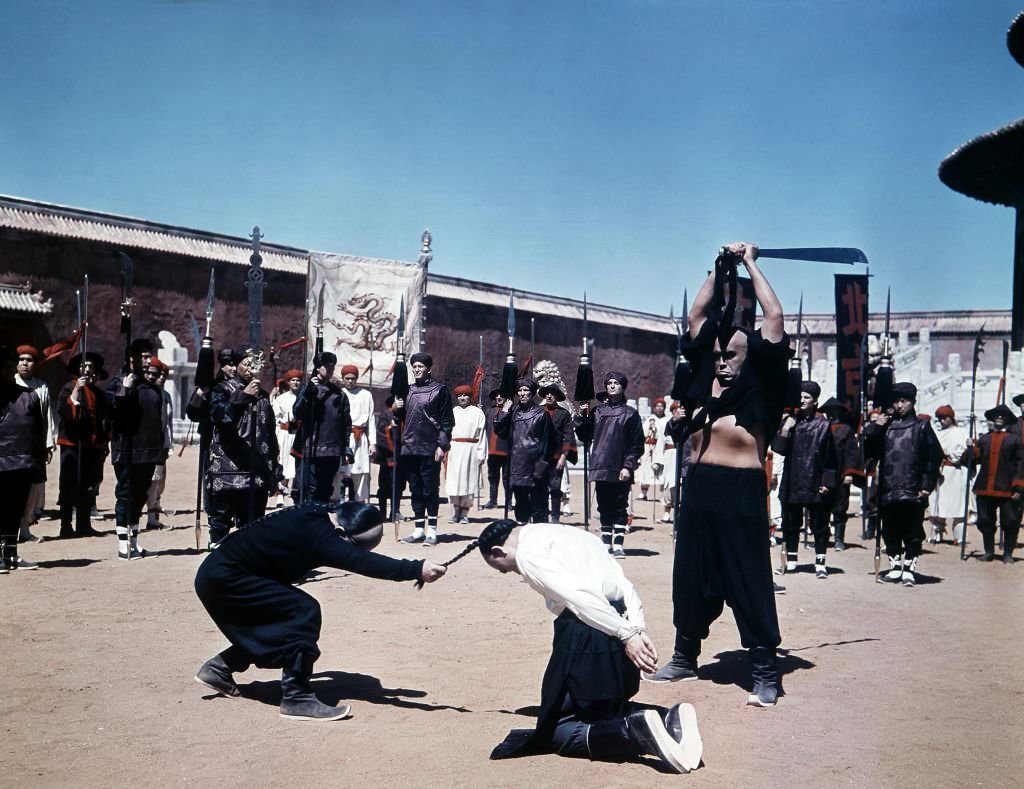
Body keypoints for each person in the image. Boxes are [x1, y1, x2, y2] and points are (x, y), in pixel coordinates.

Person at [644, 242, 787, 707]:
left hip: (740, 491)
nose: (723, 360)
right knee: (690, 577)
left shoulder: (762, 385)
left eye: (732, 354)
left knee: (747, 577)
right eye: (719, 353)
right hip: (700, 489)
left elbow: (775, 317)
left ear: (751, 356)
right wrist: (718, 265)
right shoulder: (704, 375)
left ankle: (766, 670)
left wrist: (749, 263)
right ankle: (686, 656)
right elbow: (698, 315)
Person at [479, 519, 702, 773]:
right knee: (603, 708)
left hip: (589, 629)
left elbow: (578, 597)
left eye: (502, 569)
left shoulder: (528, 555)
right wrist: (636, 627)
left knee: (559, 729)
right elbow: (622, 583)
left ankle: (639, 732)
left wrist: (627, 635)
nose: (510, 572)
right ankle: (667, 718)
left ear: (499, 552)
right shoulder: (573, 534)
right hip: (620, 617)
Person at [194, 501, 446, 720]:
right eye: (353, 546)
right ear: (341, 531)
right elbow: (364, 563)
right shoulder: (322, 536)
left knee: (275, 623)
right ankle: (297, 697)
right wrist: (416, 568)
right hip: (226, 580)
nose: (349, 552)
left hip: (218, 574)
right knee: (303, 611)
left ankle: (219, 668)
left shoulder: (316, 514)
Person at [862, 382, 943, 586]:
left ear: (912, 402)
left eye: (903, 401)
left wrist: (927, 485)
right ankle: (895, 565)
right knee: (890, 529)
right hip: (888, 486)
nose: (899, 405)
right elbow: (869, 451)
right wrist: (874, 428)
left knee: (912, 529)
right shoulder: (886, 426)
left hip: (913, 487)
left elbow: (933, 457)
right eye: (896, 401)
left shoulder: (921, 426)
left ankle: (909, 567)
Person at [206, 346, 282, 548]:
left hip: (257, 471)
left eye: (255, 365)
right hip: (227, 469)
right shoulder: (222, 389)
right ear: (237, 365)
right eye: (246, 364)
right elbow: (220, 418)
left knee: (253, 527)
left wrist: (274, 467)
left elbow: (270, 433)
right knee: (220, 525)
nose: (251, 369)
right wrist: (242, 397)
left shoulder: (264, 396)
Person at [771, 381, 838, 578]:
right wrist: (785, 429)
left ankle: (820, 561)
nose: (802, 400)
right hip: (793, 479)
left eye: (806, 397)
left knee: (819, 524)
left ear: (815, 401)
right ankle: (791, 560)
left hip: (815, 480)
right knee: (791, 522)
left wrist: (827, 481)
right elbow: (778, 449)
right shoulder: (790, 421)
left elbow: (831, 457)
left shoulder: (824, 425)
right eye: (799, 396)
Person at [107, 341, 166, 560]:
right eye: (142, 356)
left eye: (148, 356)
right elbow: (113, 412)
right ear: (131, 358)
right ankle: (123, 543)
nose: (147, 360)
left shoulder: (152, 388)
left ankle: (133, 541)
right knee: (125, 494)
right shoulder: (118, 383)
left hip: (148, 451)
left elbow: (157, 422)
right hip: (127, 450)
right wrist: (125, 389)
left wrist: (160, 450)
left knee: (140, 496)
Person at [575, 372, 644, 557]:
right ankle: (606, 541)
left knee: (620, 505)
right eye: (609, 383)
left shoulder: (631, 414)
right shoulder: (598, 412)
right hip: (601, 464)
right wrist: (582, 416)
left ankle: (619, 542)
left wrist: (628, 466)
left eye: (616, 383)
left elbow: (636, 444)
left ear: (623, 387)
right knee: (603, 505)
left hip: (620, 466)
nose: (612, 386)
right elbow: (584, 435)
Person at [396, 352, 454, 545]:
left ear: (429, 368)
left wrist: (442, 445)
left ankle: (432, 530)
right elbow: (400, 419)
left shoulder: (440, 390)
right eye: (414, 366)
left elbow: (447, 421)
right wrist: (396, 409)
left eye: (420, 366)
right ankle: (418, 528)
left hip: (430, 447)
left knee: (430, 489)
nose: (417, 369)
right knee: (415, 489)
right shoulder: (408, 390)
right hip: (410, 447)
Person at [56, 352, 110, 539]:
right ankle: (65, 525)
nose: (87, 369)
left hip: (91, 446)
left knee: (88, 485)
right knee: (69, 483)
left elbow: (104, 420)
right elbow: (65, 412)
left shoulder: (98, 393)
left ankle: (84, 524)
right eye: (84, 366)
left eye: (90, 366)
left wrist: (104, 442)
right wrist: (76, 392)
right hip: (72, 444)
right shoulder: (68, 388)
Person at [0, 347, 45, 572]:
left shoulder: (29, 396)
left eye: (10, 364)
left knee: (15, 509)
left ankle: (11, 553)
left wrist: (37, 464)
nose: (7, 368)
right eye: (3, 365)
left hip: (22, 462)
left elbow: (38, 431)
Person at [963, 404, 1023, 564]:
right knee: (984, 521)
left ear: (1007, 420)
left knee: (1010, 521)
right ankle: (989, 552)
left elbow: (1021, 464)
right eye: (997, 416)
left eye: (1002, 416)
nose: (999, 418)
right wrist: (970, 448)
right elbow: (972, 460)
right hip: (985, 488)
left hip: (1007, 489)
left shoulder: (1014, 440)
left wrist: (1019, 486)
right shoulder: (984, 439)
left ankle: (1008, 553)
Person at [495, 378, 557, 524]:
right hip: (517, 465)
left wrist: (541, 466)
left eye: (526, 390)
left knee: (538, 505)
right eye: (520, 390)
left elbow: (548, 443)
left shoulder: (542, 414)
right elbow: (499, 430)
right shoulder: (513, 413)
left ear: (533, 393)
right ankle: (523, 533)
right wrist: (504, 410)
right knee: (521, 504)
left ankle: (539, 538)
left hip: (535, 466)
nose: (522, 394)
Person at [292, 351, 351, 505]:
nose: (330, 370)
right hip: (310, 448)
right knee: (308, 489)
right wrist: (308, 393)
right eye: (327, 367)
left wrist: (345, 447)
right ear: (318, 368)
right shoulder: (307, 389)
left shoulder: (339, 394)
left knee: (325, 490)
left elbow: (345, 423)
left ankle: (321, 520)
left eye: (332, 367)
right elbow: (297, 413)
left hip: (331, 450)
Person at [14, 345, 55, 542]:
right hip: (11, 447)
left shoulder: (41, 386)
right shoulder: (8, 384)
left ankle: (25, 528)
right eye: (21, 359)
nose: (25, 363)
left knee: (33, 488)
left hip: (35, 445)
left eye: (29, 360)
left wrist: (48, 444)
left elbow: (47, 416)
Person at [820, 397, 860, 551]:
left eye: (833, 411)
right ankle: (823, 537)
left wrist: (849, 473)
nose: (830, 414)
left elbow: (851, 453)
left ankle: (839, 539)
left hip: (840, 474)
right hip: (823, 476)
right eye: (828, 411)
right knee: (821, 508)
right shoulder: (820, 427)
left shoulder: (846, 430)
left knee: (840, 508)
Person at [445, 385, 487, 523]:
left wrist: (481, 453)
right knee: (454, 482)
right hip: (455, 449)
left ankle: (464, 513)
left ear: (470, 397)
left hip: (471, 450)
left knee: (468, 482)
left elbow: (482, 435)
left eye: (465, 395)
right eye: (459, 396)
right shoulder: (452, 412)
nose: (462, 398)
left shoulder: (477, 413)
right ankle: (455, 511)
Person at [929, 404, 970, 545]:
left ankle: (959, 536)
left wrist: (949, 453)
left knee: (957, 505)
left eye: (944, 418)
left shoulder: (961, 433)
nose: (941, 421)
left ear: (951, 418)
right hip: (939, 472)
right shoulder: (937, 433)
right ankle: (937, 533)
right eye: (939, 419)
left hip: (954, 472)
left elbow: (963, 453)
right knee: (937, 504)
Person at [538, 383, 577, 522]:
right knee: (539, 488)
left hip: (556, 457)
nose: (549, 396)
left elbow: (568, 436)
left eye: (552, 393)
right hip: (539, 457)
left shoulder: (564, 414)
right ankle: (541, 516)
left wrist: (563, 456)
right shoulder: (538, 411)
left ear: (556, 397)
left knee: (555, 488)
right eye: (547, 393)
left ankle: (555, 516)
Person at [338, 364, 375, 503]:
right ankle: (339, 502)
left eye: (353, 378)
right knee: (342, 471)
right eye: (347, 378)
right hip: (343, 437)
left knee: (360, 471)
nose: (350, 381)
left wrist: (373, 443)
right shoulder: (339, 394)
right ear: (343, 379)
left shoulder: (366, 395)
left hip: (360, 438)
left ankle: (358, 503)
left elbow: (371, 419)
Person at [145, 359, 174, 529]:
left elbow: (167, 424)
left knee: (159, 482)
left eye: (164, 375)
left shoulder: (166, 396)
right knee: (151, 481)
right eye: (159, 375)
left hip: (162, 445)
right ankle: (150, 518)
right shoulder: (147, 395)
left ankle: (153, 516)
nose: (162, 378)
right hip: (149, 445)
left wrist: (167, 445)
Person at [272, 369, 302, 507]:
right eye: (293, 380)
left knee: (296, 465)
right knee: (283, 463)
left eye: (298, 380)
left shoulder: (304, 398)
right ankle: (280, 495)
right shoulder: (281, 399)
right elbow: (277, 417)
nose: (295, 383)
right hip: (285, 434)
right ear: (288, 382)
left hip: (299, 435)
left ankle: (296, 494)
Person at [373, 395, 406, 520]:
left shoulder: (404, 414)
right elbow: (381, 431)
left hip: (400, 456)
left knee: (398, 486)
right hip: (387, 457)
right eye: (398, 401)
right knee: (384, 486)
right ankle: (382, 513)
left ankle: (395, 511)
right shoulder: (385, 414)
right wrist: (389, 428)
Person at [655, 401, 687, 525]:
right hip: (670, 456)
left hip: (683, 455)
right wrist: (657, 461)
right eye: (676, 409)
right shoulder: (668, 423)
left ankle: (679, 515)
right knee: (669, 484)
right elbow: (661, 443)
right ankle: (666, 512)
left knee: (680, 484)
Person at [482, 388, 510, 509]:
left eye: (501, 396)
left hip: (506, 449)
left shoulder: (510, 411)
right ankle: (493, 500)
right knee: (492, 477)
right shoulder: (489, 411)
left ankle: (508, 502)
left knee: (506, 477)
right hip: (491, 450)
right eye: (497, 396)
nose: (499, 398)